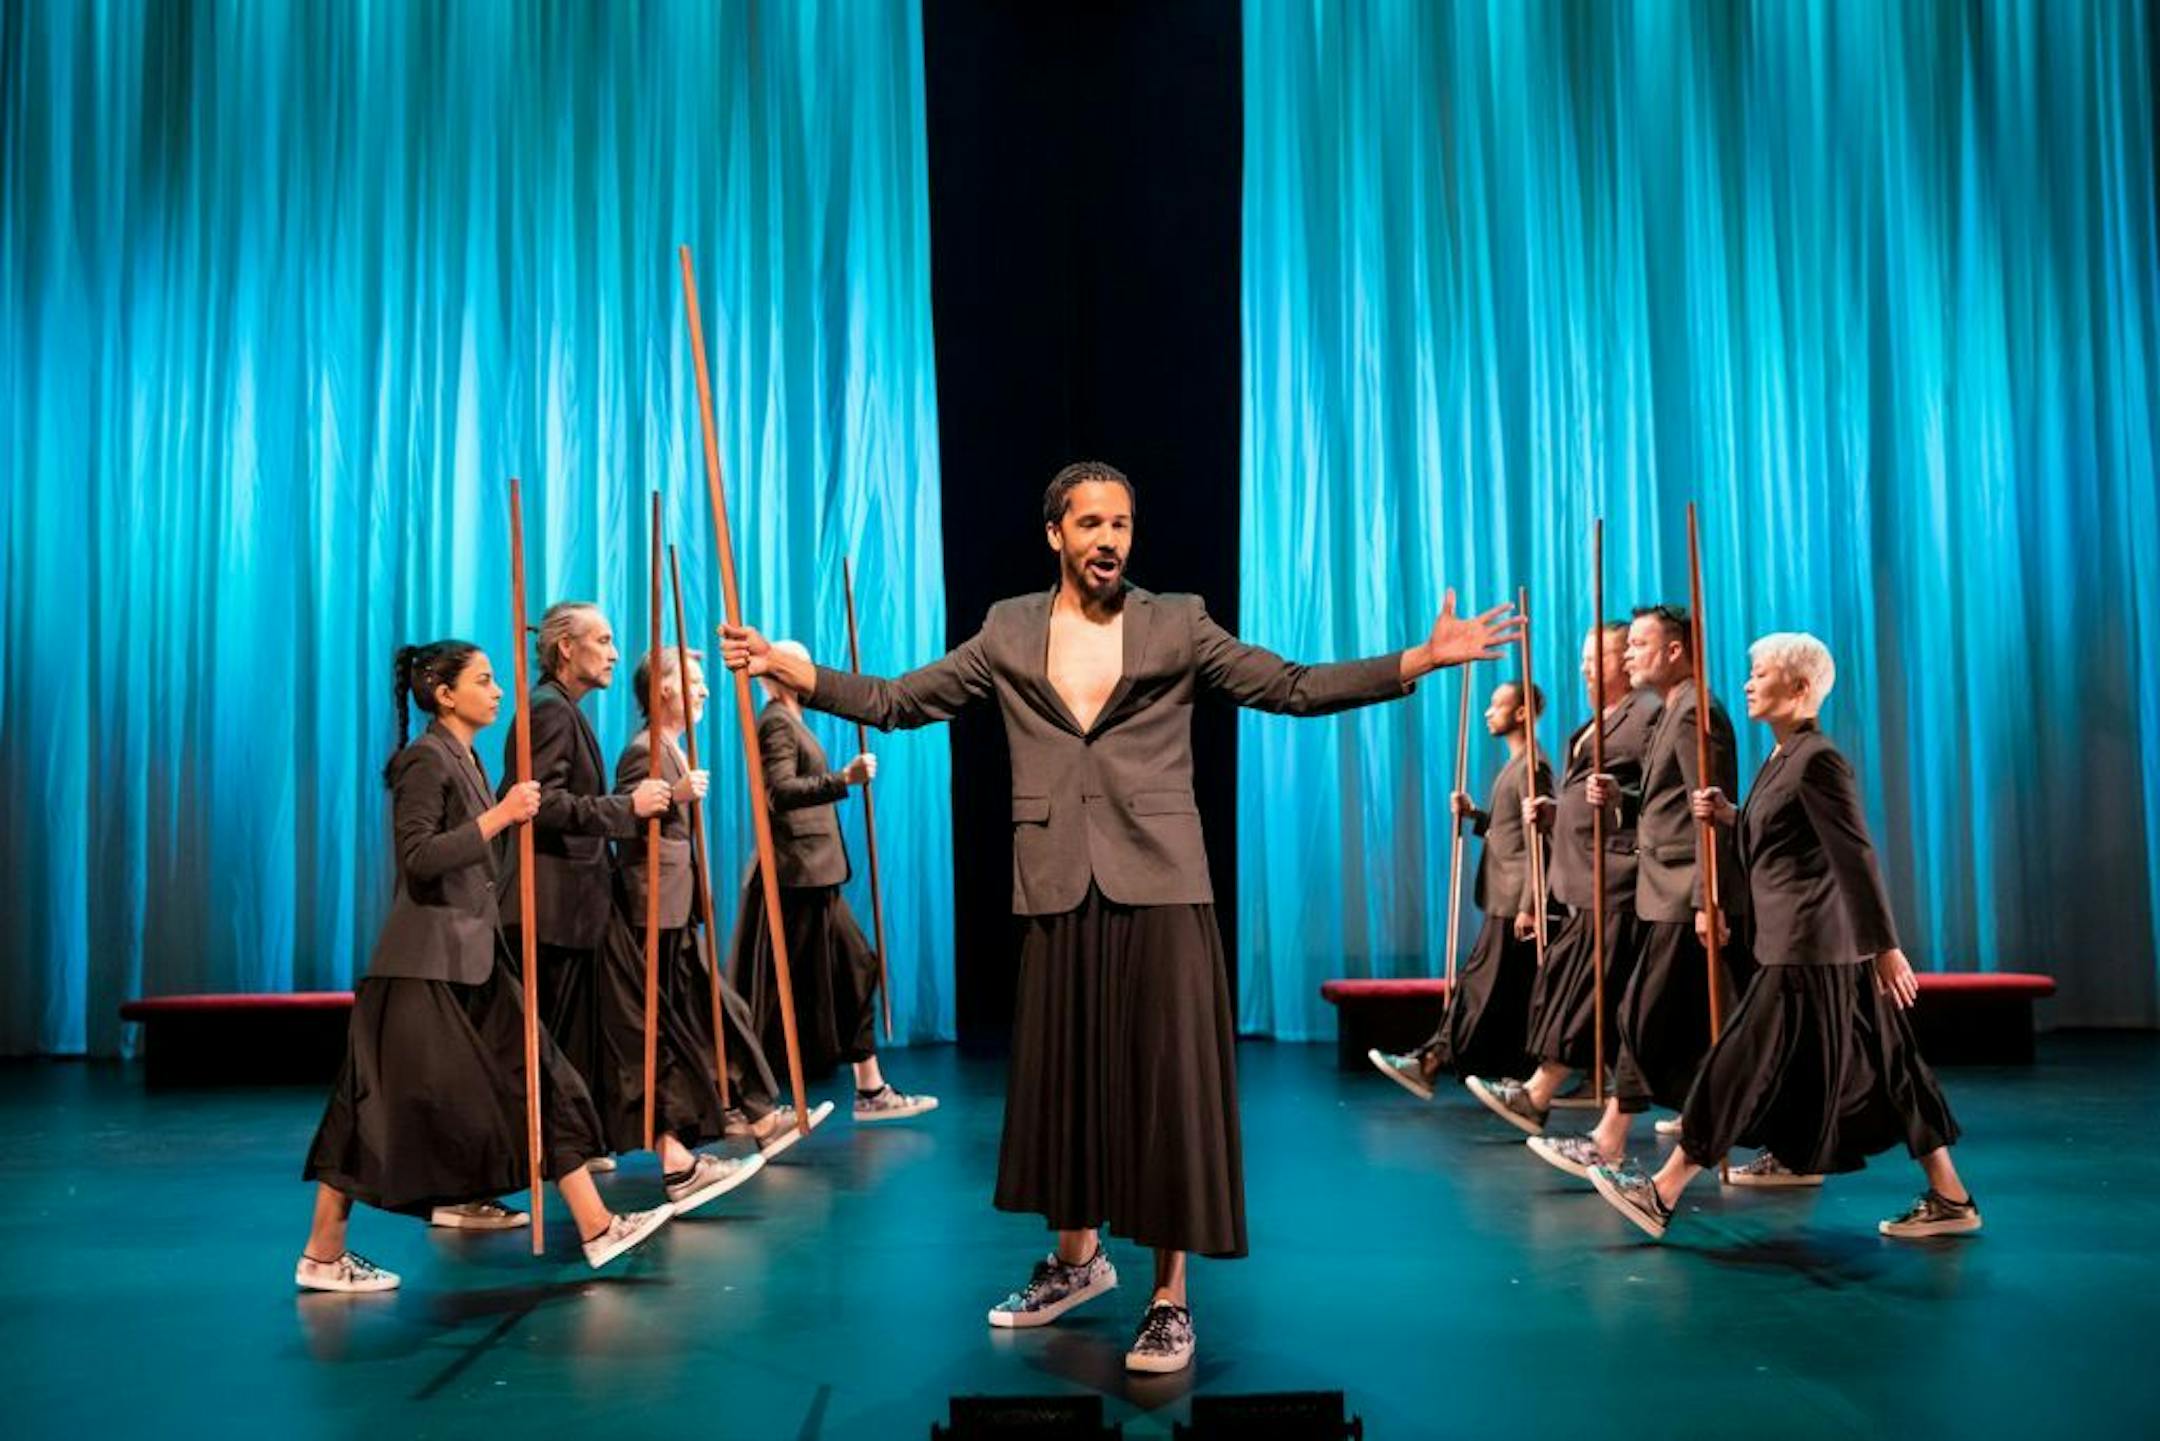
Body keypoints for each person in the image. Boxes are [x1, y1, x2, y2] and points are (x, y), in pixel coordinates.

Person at [721, 460, 1521, 1374]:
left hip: (1164, 883)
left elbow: (1290, 685)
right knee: (1068, 1080)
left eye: (1123, 524)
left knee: (1165, 1090)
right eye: (1091, 523)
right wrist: (802, 672)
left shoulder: (1176, 619)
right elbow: (905, 702)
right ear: (1054, 533)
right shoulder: (1009, 627)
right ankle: (1078, 1260)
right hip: (1059, 881)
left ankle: (1170, 1299)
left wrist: (1417, 659)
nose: (1110, 539)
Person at [298, 641, 672, 1291]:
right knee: (371, 1111)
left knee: (543, 1077)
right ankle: (323, 1253)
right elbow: (417, 857)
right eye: (485, 679)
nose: (500, 690)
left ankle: (596, 1224)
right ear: (445, 693)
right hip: (424, 965)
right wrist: (502, 815)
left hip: (473, 956)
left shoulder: (464, 756)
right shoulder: (424, 759)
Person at [1586, 632, 1979, 1241]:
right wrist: (1729, 816)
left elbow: (1854, 856)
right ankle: (1951, 1195)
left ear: (1798, 689)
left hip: (1808, 949)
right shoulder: (1783, 757)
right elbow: (1784, 837)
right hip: (1809, 946)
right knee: (1895, 1069)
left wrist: (1885, 947)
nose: (1747, 683)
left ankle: (1662, 1190)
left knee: (1737, 1063)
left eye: (1761, 673)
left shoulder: (1818, 758)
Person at [502, 602, 753, 1214]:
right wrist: (629, 807)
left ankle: (668, 1158)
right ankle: (671, 1161)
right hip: (556, 906)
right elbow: (538, 805)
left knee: (590, 1045)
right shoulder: (549, 712)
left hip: (579, 905)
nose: (616, 653)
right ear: (566, 649)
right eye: (604, 640)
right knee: (589, 1042)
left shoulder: (564, 711)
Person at [1526, 605, 1746, 1180]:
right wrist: (1619, 798)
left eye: (1639, 645)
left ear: (1674, 650)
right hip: (1661, 889)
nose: (1629, 656)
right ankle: (1763, 1134)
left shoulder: (1699, 713)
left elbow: (1711, 813)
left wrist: (1708, 899)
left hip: (1682, 893)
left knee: (1641, 1015)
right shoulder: (1675, 708)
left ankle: (1610, 1139)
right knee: (1677, 1022)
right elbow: (1666, 804)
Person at [728, 640, 937, 1123]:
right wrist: (844, 778)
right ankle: (744, 1101)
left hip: (814, 872)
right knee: (779, 990)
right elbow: (777, 793)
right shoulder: (775, 722)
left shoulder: (791, 719)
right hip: (794, 874)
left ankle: (869, 1088)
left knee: (852, 969)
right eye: (796, 666)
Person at [1465, 622, 1658, 1132]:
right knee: (1579, 985)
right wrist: (1556, 811)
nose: (1587, 668)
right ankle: (1545, 1088)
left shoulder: (1647, 716)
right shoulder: (1596, 721)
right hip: (1578, 879)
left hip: (1614, 877)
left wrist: (1620, 801)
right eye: (1583, 658)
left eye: (1600, 657)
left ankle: (1540, 1090)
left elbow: (1658, 795)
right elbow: (1582, 794)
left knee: (1588, 988)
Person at [1368, 680, 1552, 1096]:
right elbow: (1511, 831)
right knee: (1502, 992)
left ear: (1521, 713)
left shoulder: (1532, 767)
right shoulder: (1517, 765)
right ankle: (1510, 1075)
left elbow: (1542, 837)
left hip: (1514, 900)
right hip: (1505, 896)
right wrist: (1476, 817)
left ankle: (1430, 1062)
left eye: (1497, 704)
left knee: (1477, 987)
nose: (1488, 712)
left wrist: (1529, 905)